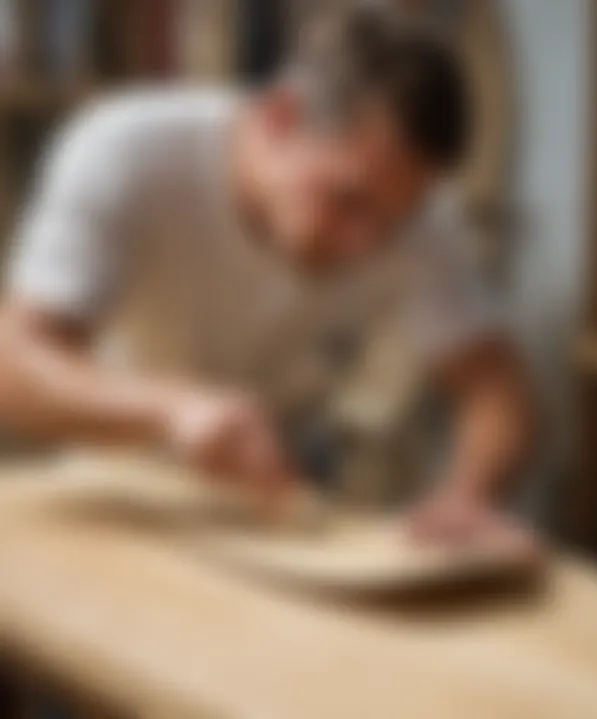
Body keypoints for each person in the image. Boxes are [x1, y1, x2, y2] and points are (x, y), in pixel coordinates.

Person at [0, 6, 532, 543]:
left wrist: (469, 495)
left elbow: (496, 389)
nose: (365, 245)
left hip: (267, 507)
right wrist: (172, 409)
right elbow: (13, 365)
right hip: (112, 492)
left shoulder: (410, 217)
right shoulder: (126, 150)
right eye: (346, 202)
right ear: (282, 118)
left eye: (394, 223)